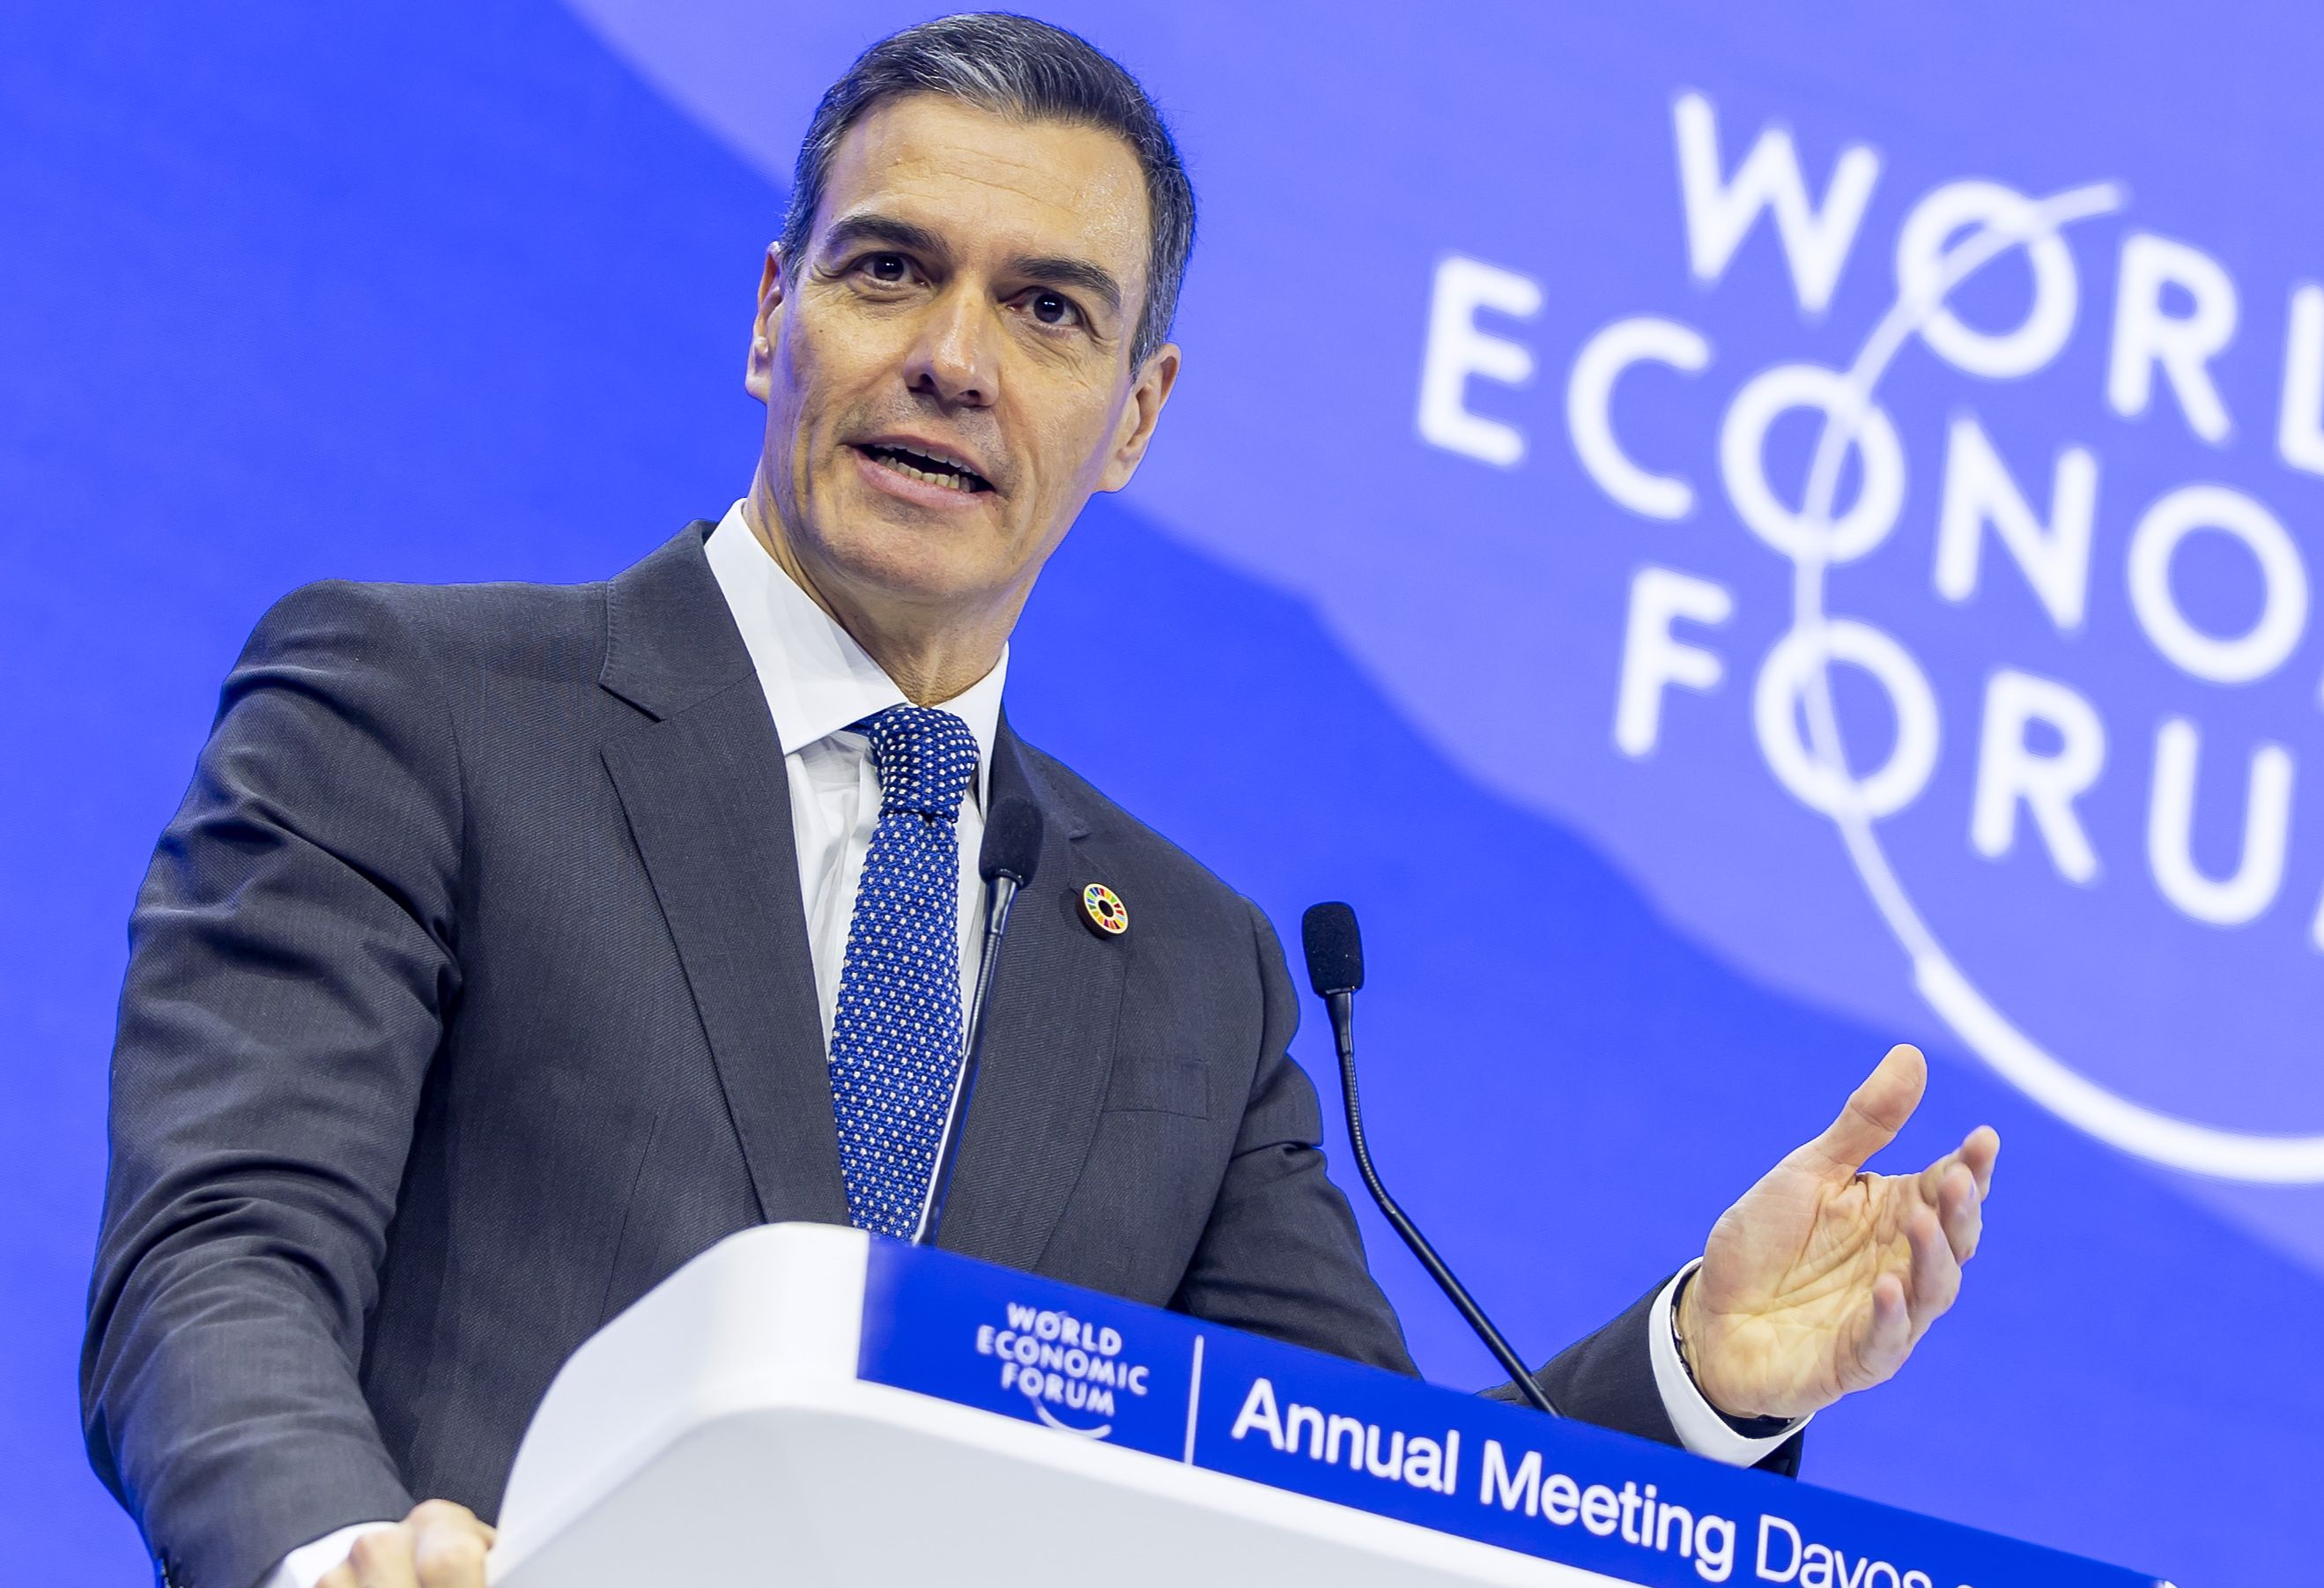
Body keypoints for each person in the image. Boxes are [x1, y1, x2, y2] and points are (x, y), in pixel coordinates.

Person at [82, 16, 2000, 1588]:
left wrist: (1698, 1374)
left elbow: (1362, 1513)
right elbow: (221, 1253)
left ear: (1135, 418)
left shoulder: (1193, 975)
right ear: (771, 314)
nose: (949, 359)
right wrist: (333, 1555)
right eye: (888, 269)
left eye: (1049, 311)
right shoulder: (418, 709)